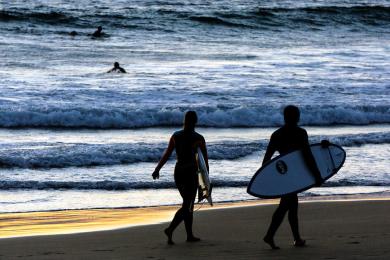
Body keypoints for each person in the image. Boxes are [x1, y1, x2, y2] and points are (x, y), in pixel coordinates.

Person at [262, 105, 323, 249]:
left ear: (284, 117)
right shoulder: (300, 133)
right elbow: (307, 156)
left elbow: (266, 161)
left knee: (292, 205)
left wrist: (271, 178)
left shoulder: (276, 134)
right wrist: (317, 175)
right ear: (297, 117)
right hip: (294, 176)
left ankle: (297, 239)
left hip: (284, 175)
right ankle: (270, 235)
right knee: (285, 206)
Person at [152, 111, 208, 245]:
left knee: (188, 203)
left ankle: (189, 235)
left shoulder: (176, 136)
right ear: (196, 121)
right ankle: (170, 229)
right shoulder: (199, 138)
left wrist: (157, 169)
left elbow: (167, 154)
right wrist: (206, 180)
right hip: (190, 172)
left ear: (184, 120)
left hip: (179, 172)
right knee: (188, 204)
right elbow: (204, 161)